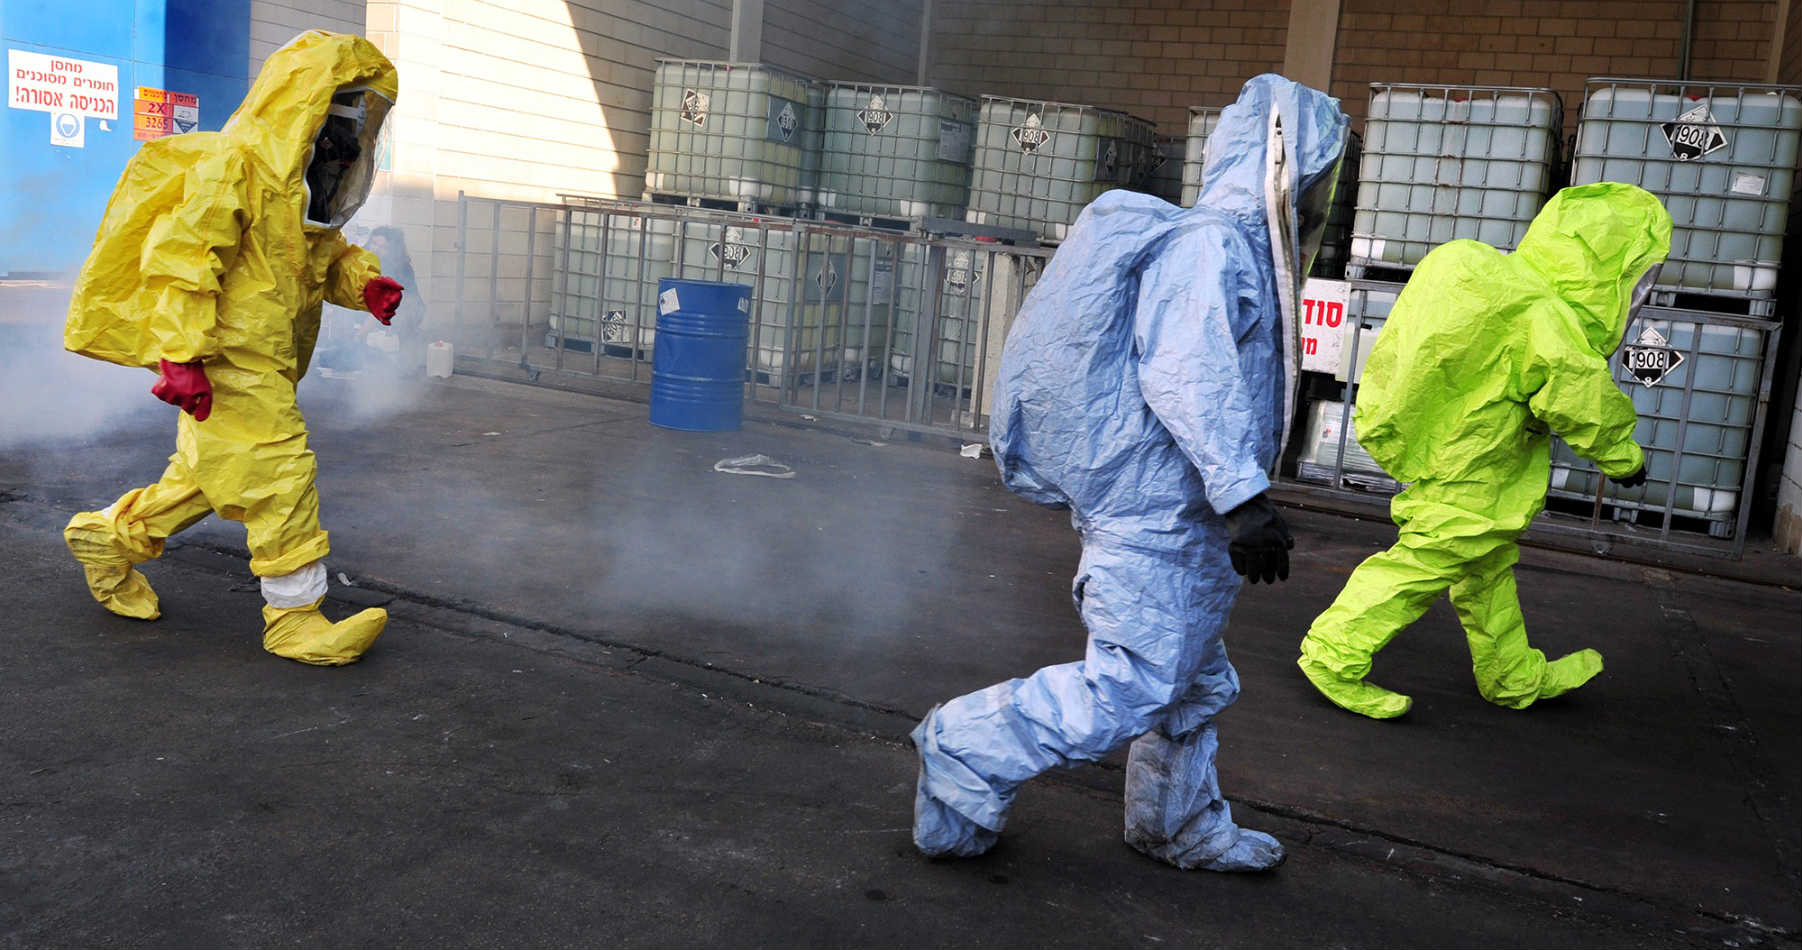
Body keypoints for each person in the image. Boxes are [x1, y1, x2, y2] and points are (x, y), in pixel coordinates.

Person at [910, 75, 1347, 871]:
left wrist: (1232, 501)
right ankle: (966, 747)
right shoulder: (1212, 246)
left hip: (1185, 517)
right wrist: (1243, 497)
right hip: (1156, 517)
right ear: (1281, 166)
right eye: (1317, 174)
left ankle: (1179, 826)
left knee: (1189, 682)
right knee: (1132, 684)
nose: (1322, 193)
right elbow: (1185, 372)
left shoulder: (1238, 250)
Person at [61, 31, 406, 666]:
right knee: (279, 471)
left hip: (268, 358)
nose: (350, 134)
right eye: (345, 110)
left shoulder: (304, 189)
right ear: (305, 103)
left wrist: (364, 284)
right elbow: (184, 261)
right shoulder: (234, 168)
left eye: (361, 115)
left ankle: (107, 538)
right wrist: (181, 354)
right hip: (228, 356)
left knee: (206, 480)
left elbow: (321, 258)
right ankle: (295, 616)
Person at [1296, 182, 1671, 719]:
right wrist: (1625, 459)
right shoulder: (1544, 318)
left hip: (1447, 444)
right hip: (1481, 462)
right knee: (1425, 562)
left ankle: (1511, 675)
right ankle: (1333, 654)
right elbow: (1581, 400)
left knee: (1486, 568)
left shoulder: (1477, 271)